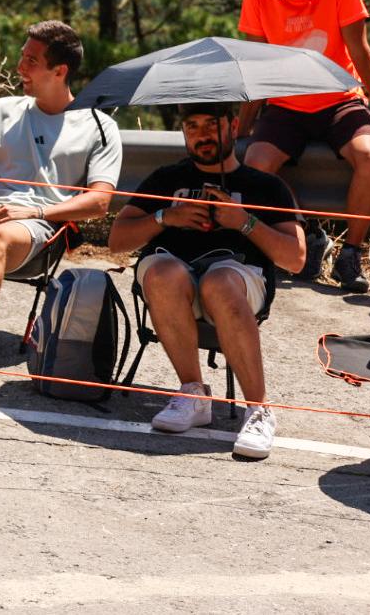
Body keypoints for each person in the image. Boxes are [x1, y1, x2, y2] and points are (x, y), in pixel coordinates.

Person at [0, 20, 121, 392]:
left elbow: (100, 201)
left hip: (41, 231)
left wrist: (35, 211)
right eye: (22, 57)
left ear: (59, 71)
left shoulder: (99, 126)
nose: (19, 68)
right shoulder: (2, 110)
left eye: (31, 61)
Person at [108, 103, 305, 460]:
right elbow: (117, 240)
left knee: (219, 282)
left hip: (237, 280)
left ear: (232, 127)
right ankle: (193, 393)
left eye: (210, 125)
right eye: (192, 126)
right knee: (164, 273)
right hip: (173, 274)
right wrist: (165, 216)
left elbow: (296, 257)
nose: (201, 134)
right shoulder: (166, 179)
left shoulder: (265, 186)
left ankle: (259, 409)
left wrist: (243, 222)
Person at [238, 0, 370, 293]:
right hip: (285, 103)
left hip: (340, 98)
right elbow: (256, 64)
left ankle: (352, 252)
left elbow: (361, 53)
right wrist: (242, 127)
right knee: (255, 164)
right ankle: (309, 233)